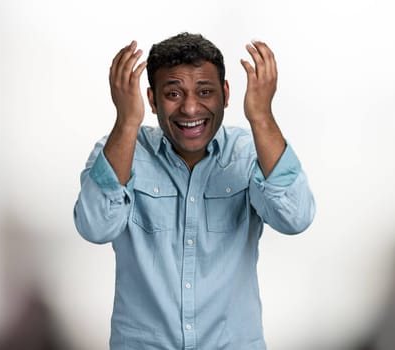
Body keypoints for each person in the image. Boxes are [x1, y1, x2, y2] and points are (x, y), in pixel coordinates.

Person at [74, 32, 315, 350]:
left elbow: (295, 218)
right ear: (152, 99)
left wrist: (261, 116)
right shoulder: (120, 150)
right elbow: (95, 227)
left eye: (205, 92)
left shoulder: (249, 152)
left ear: (225, 94)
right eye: (173, 93)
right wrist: (127, 121)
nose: (190, 108)